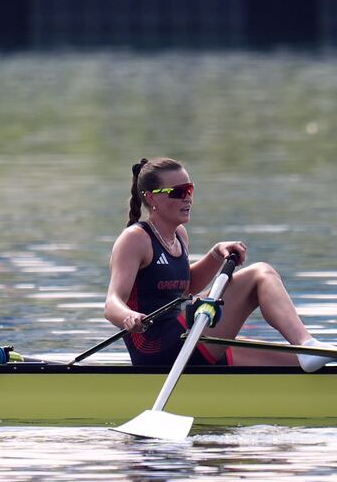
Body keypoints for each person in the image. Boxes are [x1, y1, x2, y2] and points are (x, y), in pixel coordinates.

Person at [104, 157, 331, 370]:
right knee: (260, 274)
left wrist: (214, 255)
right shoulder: (135, 239)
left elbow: (185, 286)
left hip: (186, 338)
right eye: (178, 192)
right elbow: (112, 303)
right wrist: (128, 317)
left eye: (190, 190)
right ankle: (307, 343)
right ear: (152, 197)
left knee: (296, 361)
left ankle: (306, 350)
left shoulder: (180, 235)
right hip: (156, 348)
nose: (188, 198)